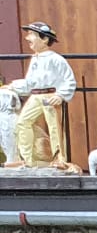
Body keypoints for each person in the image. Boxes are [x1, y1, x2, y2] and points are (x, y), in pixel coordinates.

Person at [8, 22, 74, 169]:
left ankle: (59, 159)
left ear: (44, 39)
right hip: (36, 96)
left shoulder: (55, 59)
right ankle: (27, 159)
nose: (27, 38)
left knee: (54, 127)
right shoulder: (35, 59)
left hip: (49, 96)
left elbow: (69, 80)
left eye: (32, 34)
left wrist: (61, 95)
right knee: (22, 122)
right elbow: (30, 82)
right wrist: (13, 86)